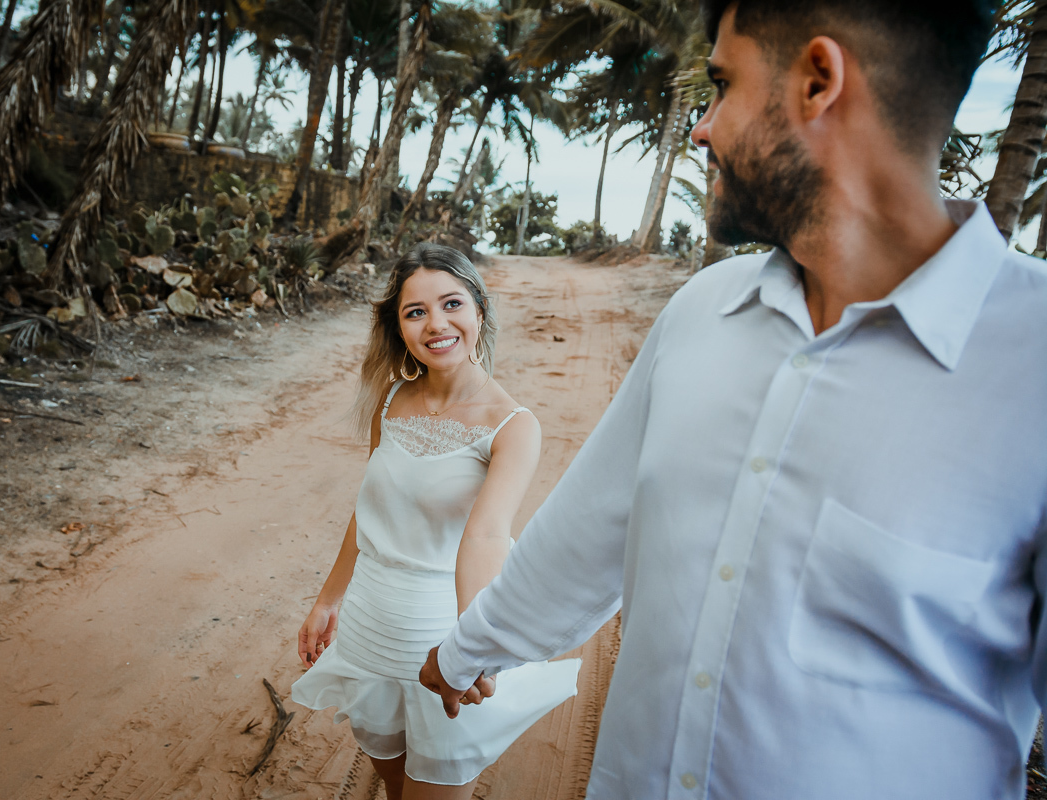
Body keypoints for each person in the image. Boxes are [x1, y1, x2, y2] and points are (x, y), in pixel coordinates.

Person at [419, 2, 1047, 798]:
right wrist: (466, 652)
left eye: (721, 85)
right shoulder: (702, 311)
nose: (700, 127)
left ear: (819, 81)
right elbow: (587, 532)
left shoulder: (1035, 373)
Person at [291, 242, 580, 800]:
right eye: (415, 312)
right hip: (369, 633)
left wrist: (471, 648)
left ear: (479, 311)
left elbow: (488, 536)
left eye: (452, 304)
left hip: (439, 637)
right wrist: (328, 600)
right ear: (398, 327)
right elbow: (369, 510)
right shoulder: (391, 399)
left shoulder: (513, 426)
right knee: (394, 784)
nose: (436, 324)